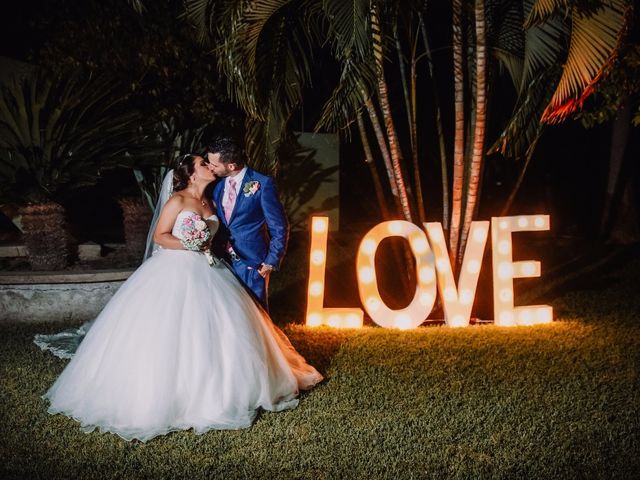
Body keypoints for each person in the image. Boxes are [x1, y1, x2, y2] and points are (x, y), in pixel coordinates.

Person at [34, 154, 322, 442]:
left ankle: (227, 387)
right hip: (175, 269)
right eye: (203, 164)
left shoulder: (210, 201)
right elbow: (160, 236)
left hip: (210, 269)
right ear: (192, 175)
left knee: (221, 326)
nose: (209, 167)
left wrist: (207, 243)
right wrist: (189, 243)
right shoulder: (178, 201)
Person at [207, 137, 288, 310]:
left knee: (255, 312)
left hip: (252, 262)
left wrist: (270, 261)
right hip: (223, 260)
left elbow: (279, 226)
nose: (210, 167)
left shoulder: (262, 184)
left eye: (214, 164)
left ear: (231, 165)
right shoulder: (217, 186)